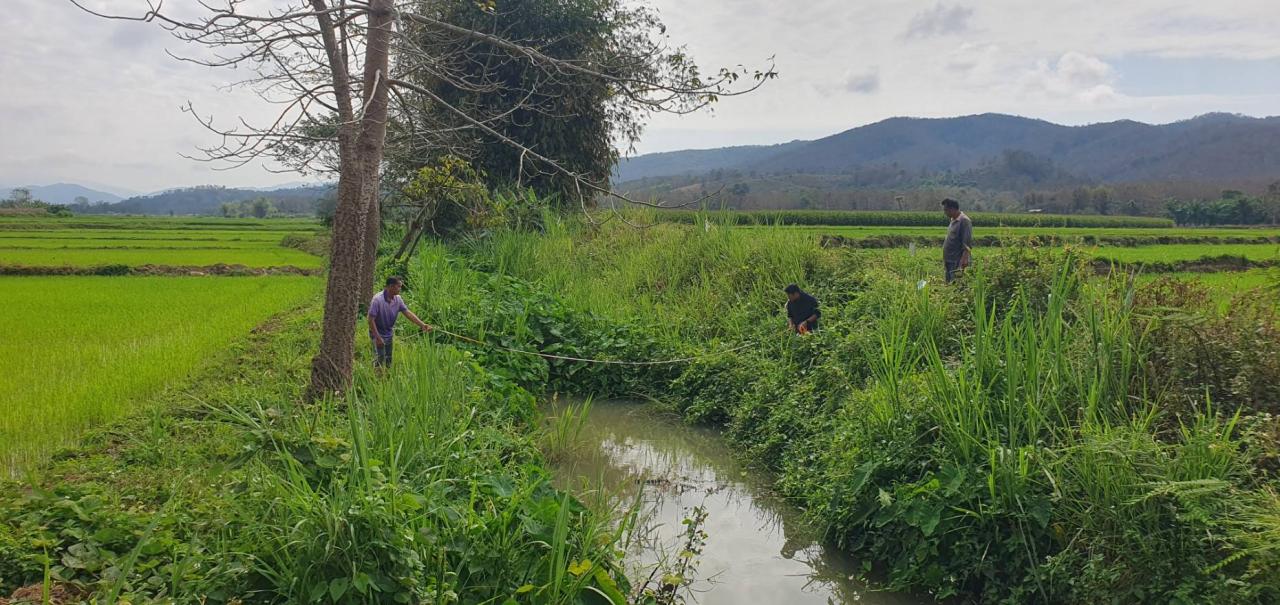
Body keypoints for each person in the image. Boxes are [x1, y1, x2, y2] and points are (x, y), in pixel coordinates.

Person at [368, 276, 433, 368]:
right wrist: (377, 337)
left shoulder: (398, 299)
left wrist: (422, 325)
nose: (400, 289)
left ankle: (386, 378)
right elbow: (370, 320)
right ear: (391, 286)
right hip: (377, 333)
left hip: (388, 333)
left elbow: (407, 313)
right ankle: (376, 377)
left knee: (388, 358)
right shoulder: (377, 300)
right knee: (380, 357)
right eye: (398, 286)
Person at [941, 198, 973, 282]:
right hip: (949, 259)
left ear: (952, 209)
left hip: (957, 260)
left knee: (955, 285)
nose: (945, 212)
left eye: (946, 210)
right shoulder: (953, 220)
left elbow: (967, 242)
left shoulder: (964, 221)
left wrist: (964, 259)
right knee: (949, 284)